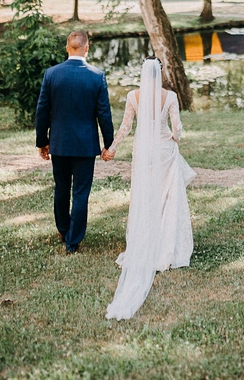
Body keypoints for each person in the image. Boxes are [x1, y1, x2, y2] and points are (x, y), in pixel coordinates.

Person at [104, 57, 195, 319]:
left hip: (143, 153)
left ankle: (145, 244)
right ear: (161, 73)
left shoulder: (133, 96)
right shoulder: (170, 97)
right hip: (164, 150)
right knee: (167, 198)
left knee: (146, 198)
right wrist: (174, 137)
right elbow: (177, 129)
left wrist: (111, 149)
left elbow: (125, 128)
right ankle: (168, 248)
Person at [34, 30, 113, 255]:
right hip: (85, 146)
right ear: (86, 48)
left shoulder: (51, 74)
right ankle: (73, 241)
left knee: (61, 188)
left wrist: (43, 141)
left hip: (59, 144)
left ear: (67, 48)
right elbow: (104, 114)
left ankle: (63, 229)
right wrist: (109, 142)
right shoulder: (96, 76)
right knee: (80, 193)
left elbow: (42, 111)